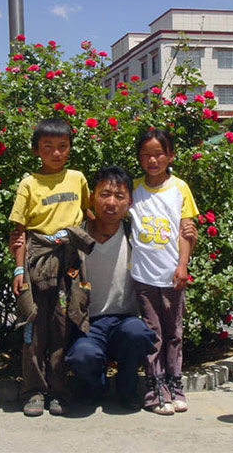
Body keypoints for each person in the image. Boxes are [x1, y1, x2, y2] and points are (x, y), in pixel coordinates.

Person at [8, 118, 94, 417]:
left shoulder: (78, 178)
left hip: (69, 265)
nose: (56, 153)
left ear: (69, 148)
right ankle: (33, 391)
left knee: (62, 326)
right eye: (48, 147)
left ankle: (58, 390)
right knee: (33, 327)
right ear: (36, 150)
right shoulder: (28, 184)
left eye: (62, 146)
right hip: (37, 262)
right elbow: (19, 232)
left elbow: (88, 213)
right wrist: (19, 270)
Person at [64, 166, 156, 410]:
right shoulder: (76, 237)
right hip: (88, 325)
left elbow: (167, 251)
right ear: (92, 197)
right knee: (82, 355)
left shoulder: (135, 236)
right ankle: (96, 387)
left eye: (119, 196)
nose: (111, 203)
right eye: (104, 194)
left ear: (129, 202)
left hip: (124, 322)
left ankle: (127, 388)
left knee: (138, 334)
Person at [129, 128, 198, 415]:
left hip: (172, 276)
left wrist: (182, 265)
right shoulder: (133, 188)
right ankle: (155, 387)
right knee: (152, 333)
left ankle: (175, 384)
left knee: (174, 333)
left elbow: (187, 230)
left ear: (170, 155)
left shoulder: (179, 188)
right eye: (146, 155)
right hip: (143, 277)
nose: (152, 160)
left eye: (158, 154)